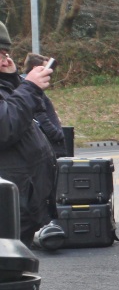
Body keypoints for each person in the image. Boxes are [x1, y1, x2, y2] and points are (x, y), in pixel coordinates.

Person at [0, 24, 67, 290]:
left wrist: (16, 81)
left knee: (19, 276)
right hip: (7, 198)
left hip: (21, 198)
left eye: (7, 51)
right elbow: (5, 127)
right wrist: (27, 86)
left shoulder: (8, 83)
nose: (6, 58)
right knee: (9, 276)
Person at [21, 53, 68, 247]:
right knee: (45, 192)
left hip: (45, 148)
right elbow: (41, 116)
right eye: (45, 68)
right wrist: (57, 134)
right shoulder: (29, 91)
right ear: (34, 70)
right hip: (47, 148)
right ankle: (45, 230)